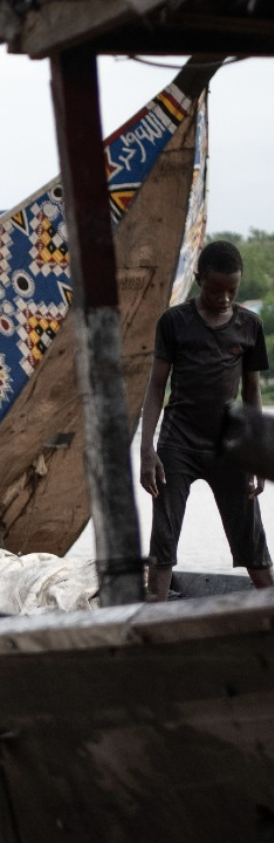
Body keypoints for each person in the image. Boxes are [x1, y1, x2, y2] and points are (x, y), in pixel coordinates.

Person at [139, 238, 272, 599]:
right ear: (199, 279)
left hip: (229, 446)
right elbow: (156, 386)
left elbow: (252, 392)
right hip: (178, 444)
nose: (225, 298)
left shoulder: (250, 326)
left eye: (232, 290)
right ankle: (155, 617)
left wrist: (257, 454)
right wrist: (147, 449)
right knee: (164, 539)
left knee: (252, 541)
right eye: (216, 290)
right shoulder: (174, 322)